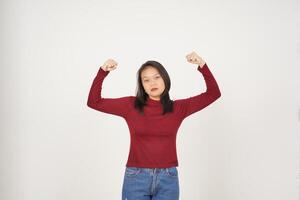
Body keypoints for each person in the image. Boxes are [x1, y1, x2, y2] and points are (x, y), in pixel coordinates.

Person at [87, 51, 221, 200]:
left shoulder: (178, 108)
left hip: (168, 178)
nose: (152, 83)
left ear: (165, 79)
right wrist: (102, 72)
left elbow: (213, 94)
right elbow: (94, 102)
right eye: (146, 80)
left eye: (157, 77)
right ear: (142, 85)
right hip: (136, 177)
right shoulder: (130, 105)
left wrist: (202, 65)